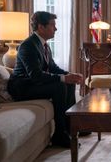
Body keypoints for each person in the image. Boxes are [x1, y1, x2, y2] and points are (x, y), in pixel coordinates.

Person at [7, 11, 83, 148]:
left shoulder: (44, 45)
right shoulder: (27, 46)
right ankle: (59, 135)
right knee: (60, 86)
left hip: (34, 83)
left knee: (69, 83)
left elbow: (53, 68)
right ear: (41, 27)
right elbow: (35, 75)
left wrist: (70, 75)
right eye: (52, 25)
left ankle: (71, 126)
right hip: (23, 88)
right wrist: (64, 78)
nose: (56, 28)